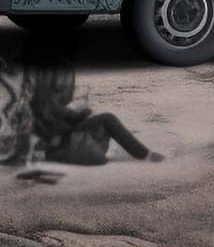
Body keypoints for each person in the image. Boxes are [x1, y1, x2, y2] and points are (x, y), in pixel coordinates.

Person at [25, 56, 164, 167]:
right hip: (57, 144)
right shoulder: (42, 96)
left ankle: (141, 153)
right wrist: (80, 115)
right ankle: (144, 154)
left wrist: (78, 113)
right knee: (108, 119)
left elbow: (56, 118)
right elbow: (54, 126)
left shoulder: (40, 92)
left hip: (56, 141)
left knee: (104, 122)